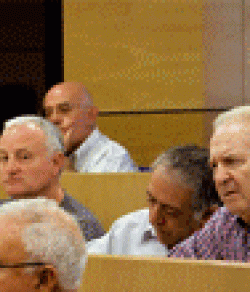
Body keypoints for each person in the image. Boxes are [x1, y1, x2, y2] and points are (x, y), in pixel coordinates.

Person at [0, 115, 104, 247]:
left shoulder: (80, 227)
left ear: (56, 163)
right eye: (4, 158)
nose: (11, 168)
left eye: (24, 157)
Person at [88, 145, 220, 255]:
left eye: (169, 211)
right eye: (151, 201)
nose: (153, 219)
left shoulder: (227, 247)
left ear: (208, 216)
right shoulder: (127, 230)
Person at [170, 106, 250, 261]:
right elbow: (175, 269)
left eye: (231, 161)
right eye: (214, 166)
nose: (219, 178)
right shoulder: (226, 221)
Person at [43, 81, 137, 173]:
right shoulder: (46, 154)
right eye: (48, 113)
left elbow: (78, 189)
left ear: (91, 115)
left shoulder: (113, 157)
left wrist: (64, 162)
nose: (54, 119)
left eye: (64, 110)